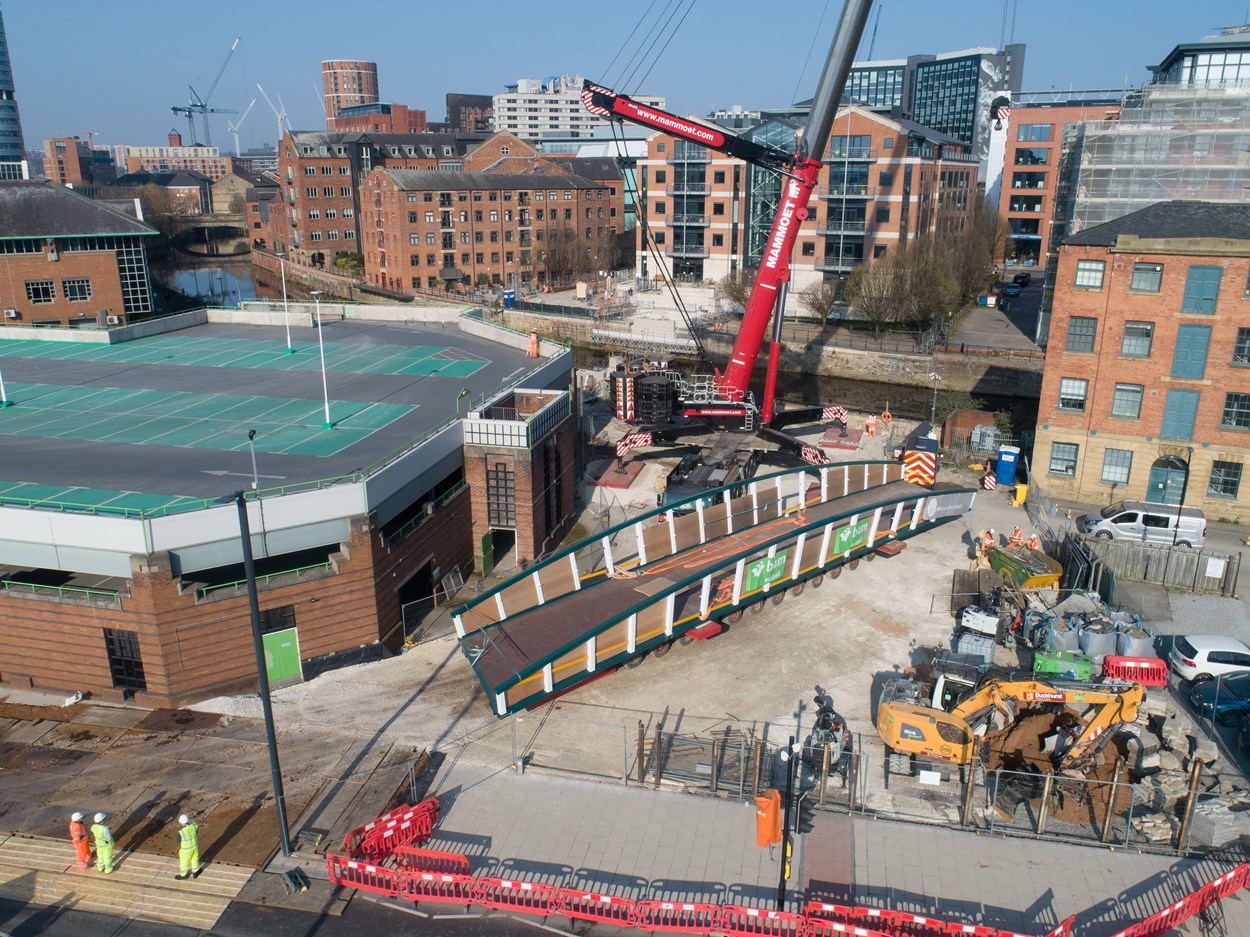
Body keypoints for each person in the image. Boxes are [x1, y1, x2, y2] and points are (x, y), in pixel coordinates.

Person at [174, 814, 201, 881]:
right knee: (195, 859)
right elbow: (196, 832)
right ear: (188, 821)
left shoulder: (181, 832)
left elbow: (178, 840)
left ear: (181, 822)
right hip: (194, 847)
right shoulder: (194, 826)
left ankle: (184, 875)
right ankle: (195, 872)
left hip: (186, 850)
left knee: (184, 862)